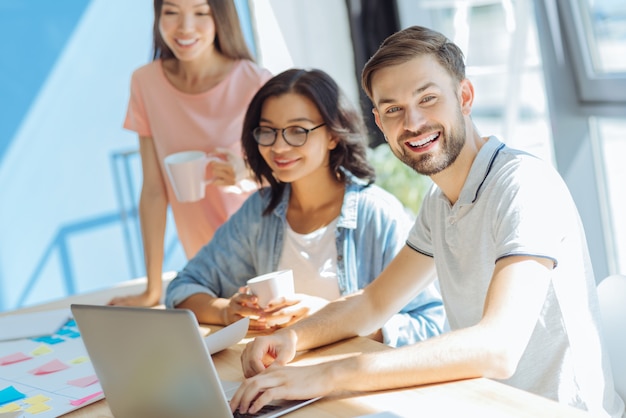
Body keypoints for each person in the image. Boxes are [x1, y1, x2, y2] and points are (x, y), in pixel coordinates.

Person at [230, 26, 625, 418]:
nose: (413, 122)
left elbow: (498, 348)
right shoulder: (440, 203)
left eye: (428, 98)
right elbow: (372, 303)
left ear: (465, 97)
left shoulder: (523, 184)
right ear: (379, 124)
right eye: (393, 110)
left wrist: (333, 374)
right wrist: (293, 337)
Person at [165, 68, 446, 346]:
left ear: (333, 135)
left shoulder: (377, 214)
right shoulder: (259, 213)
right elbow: (183, 288)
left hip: (348, 381)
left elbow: (431, 325)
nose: (278, 146)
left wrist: (332, 319)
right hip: (278, 376)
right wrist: (227, 312)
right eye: (268, 131)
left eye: (297, 131)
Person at [110, 0, 272, 307]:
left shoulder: (255, 82)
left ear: (220, 17)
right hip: (205, 267)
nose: (185, 27)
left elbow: (291, 176)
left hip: (264, 255)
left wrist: (247, 172)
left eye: (201, 12)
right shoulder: (145, 83)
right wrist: (152, 290)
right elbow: (154, 192)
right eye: (171, 12)